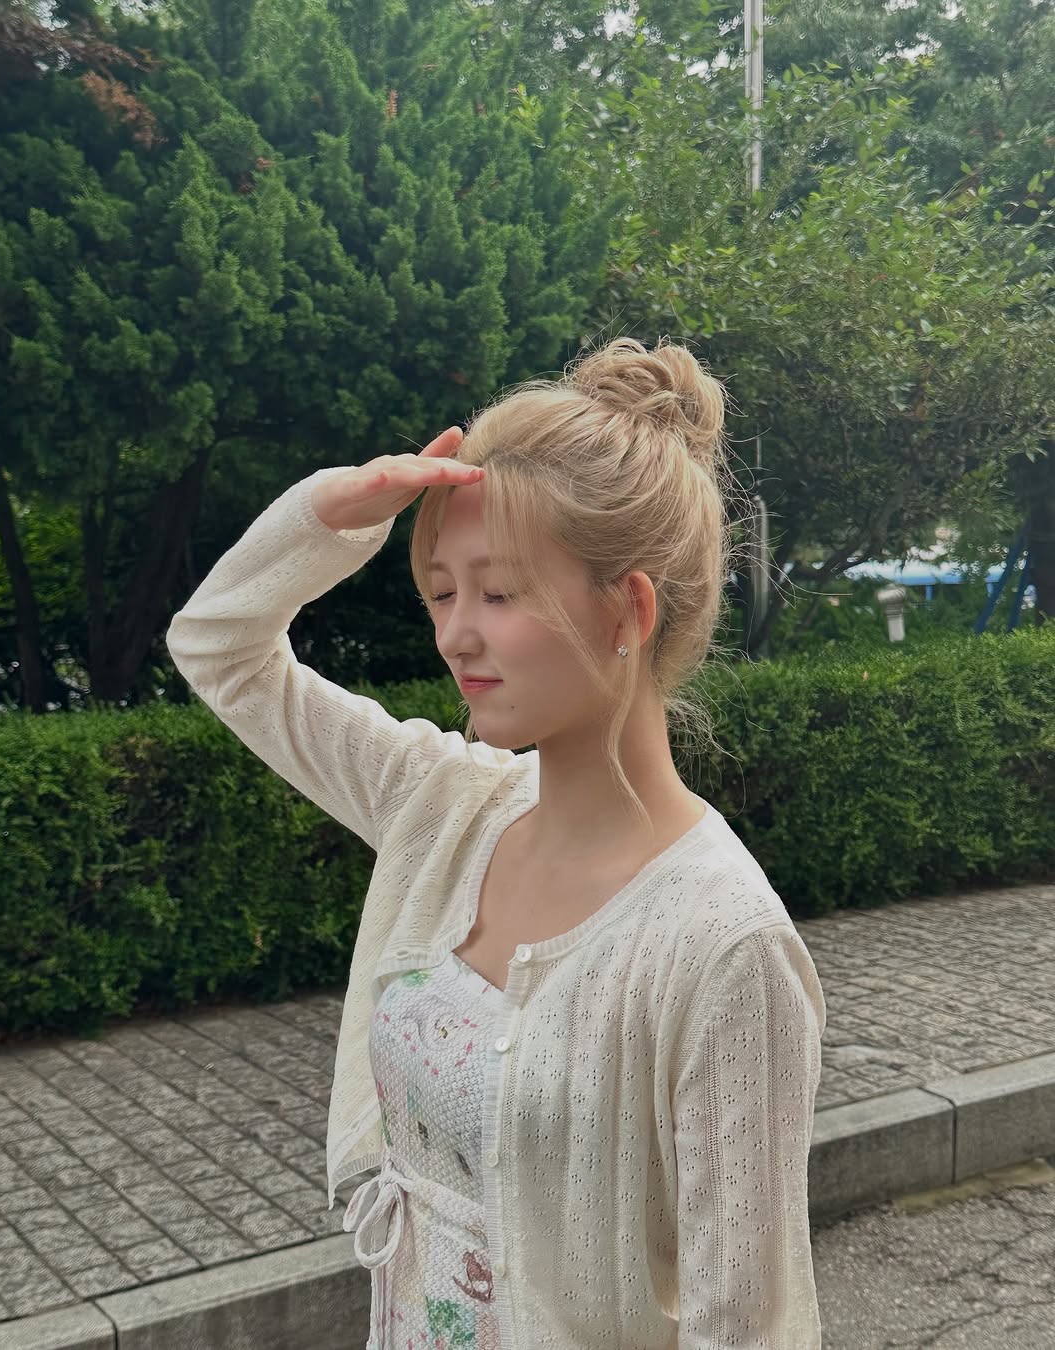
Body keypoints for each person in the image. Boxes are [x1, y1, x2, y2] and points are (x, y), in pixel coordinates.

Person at [166, 336, 826, 1348]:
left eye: (499, 592)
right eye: (442, 591)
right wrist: (332, 515)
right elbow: (220, 649)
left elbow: (746, 1330)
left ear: (628, 610)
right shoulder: (443, 806)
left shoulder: (723, 947)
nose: (454, 634)